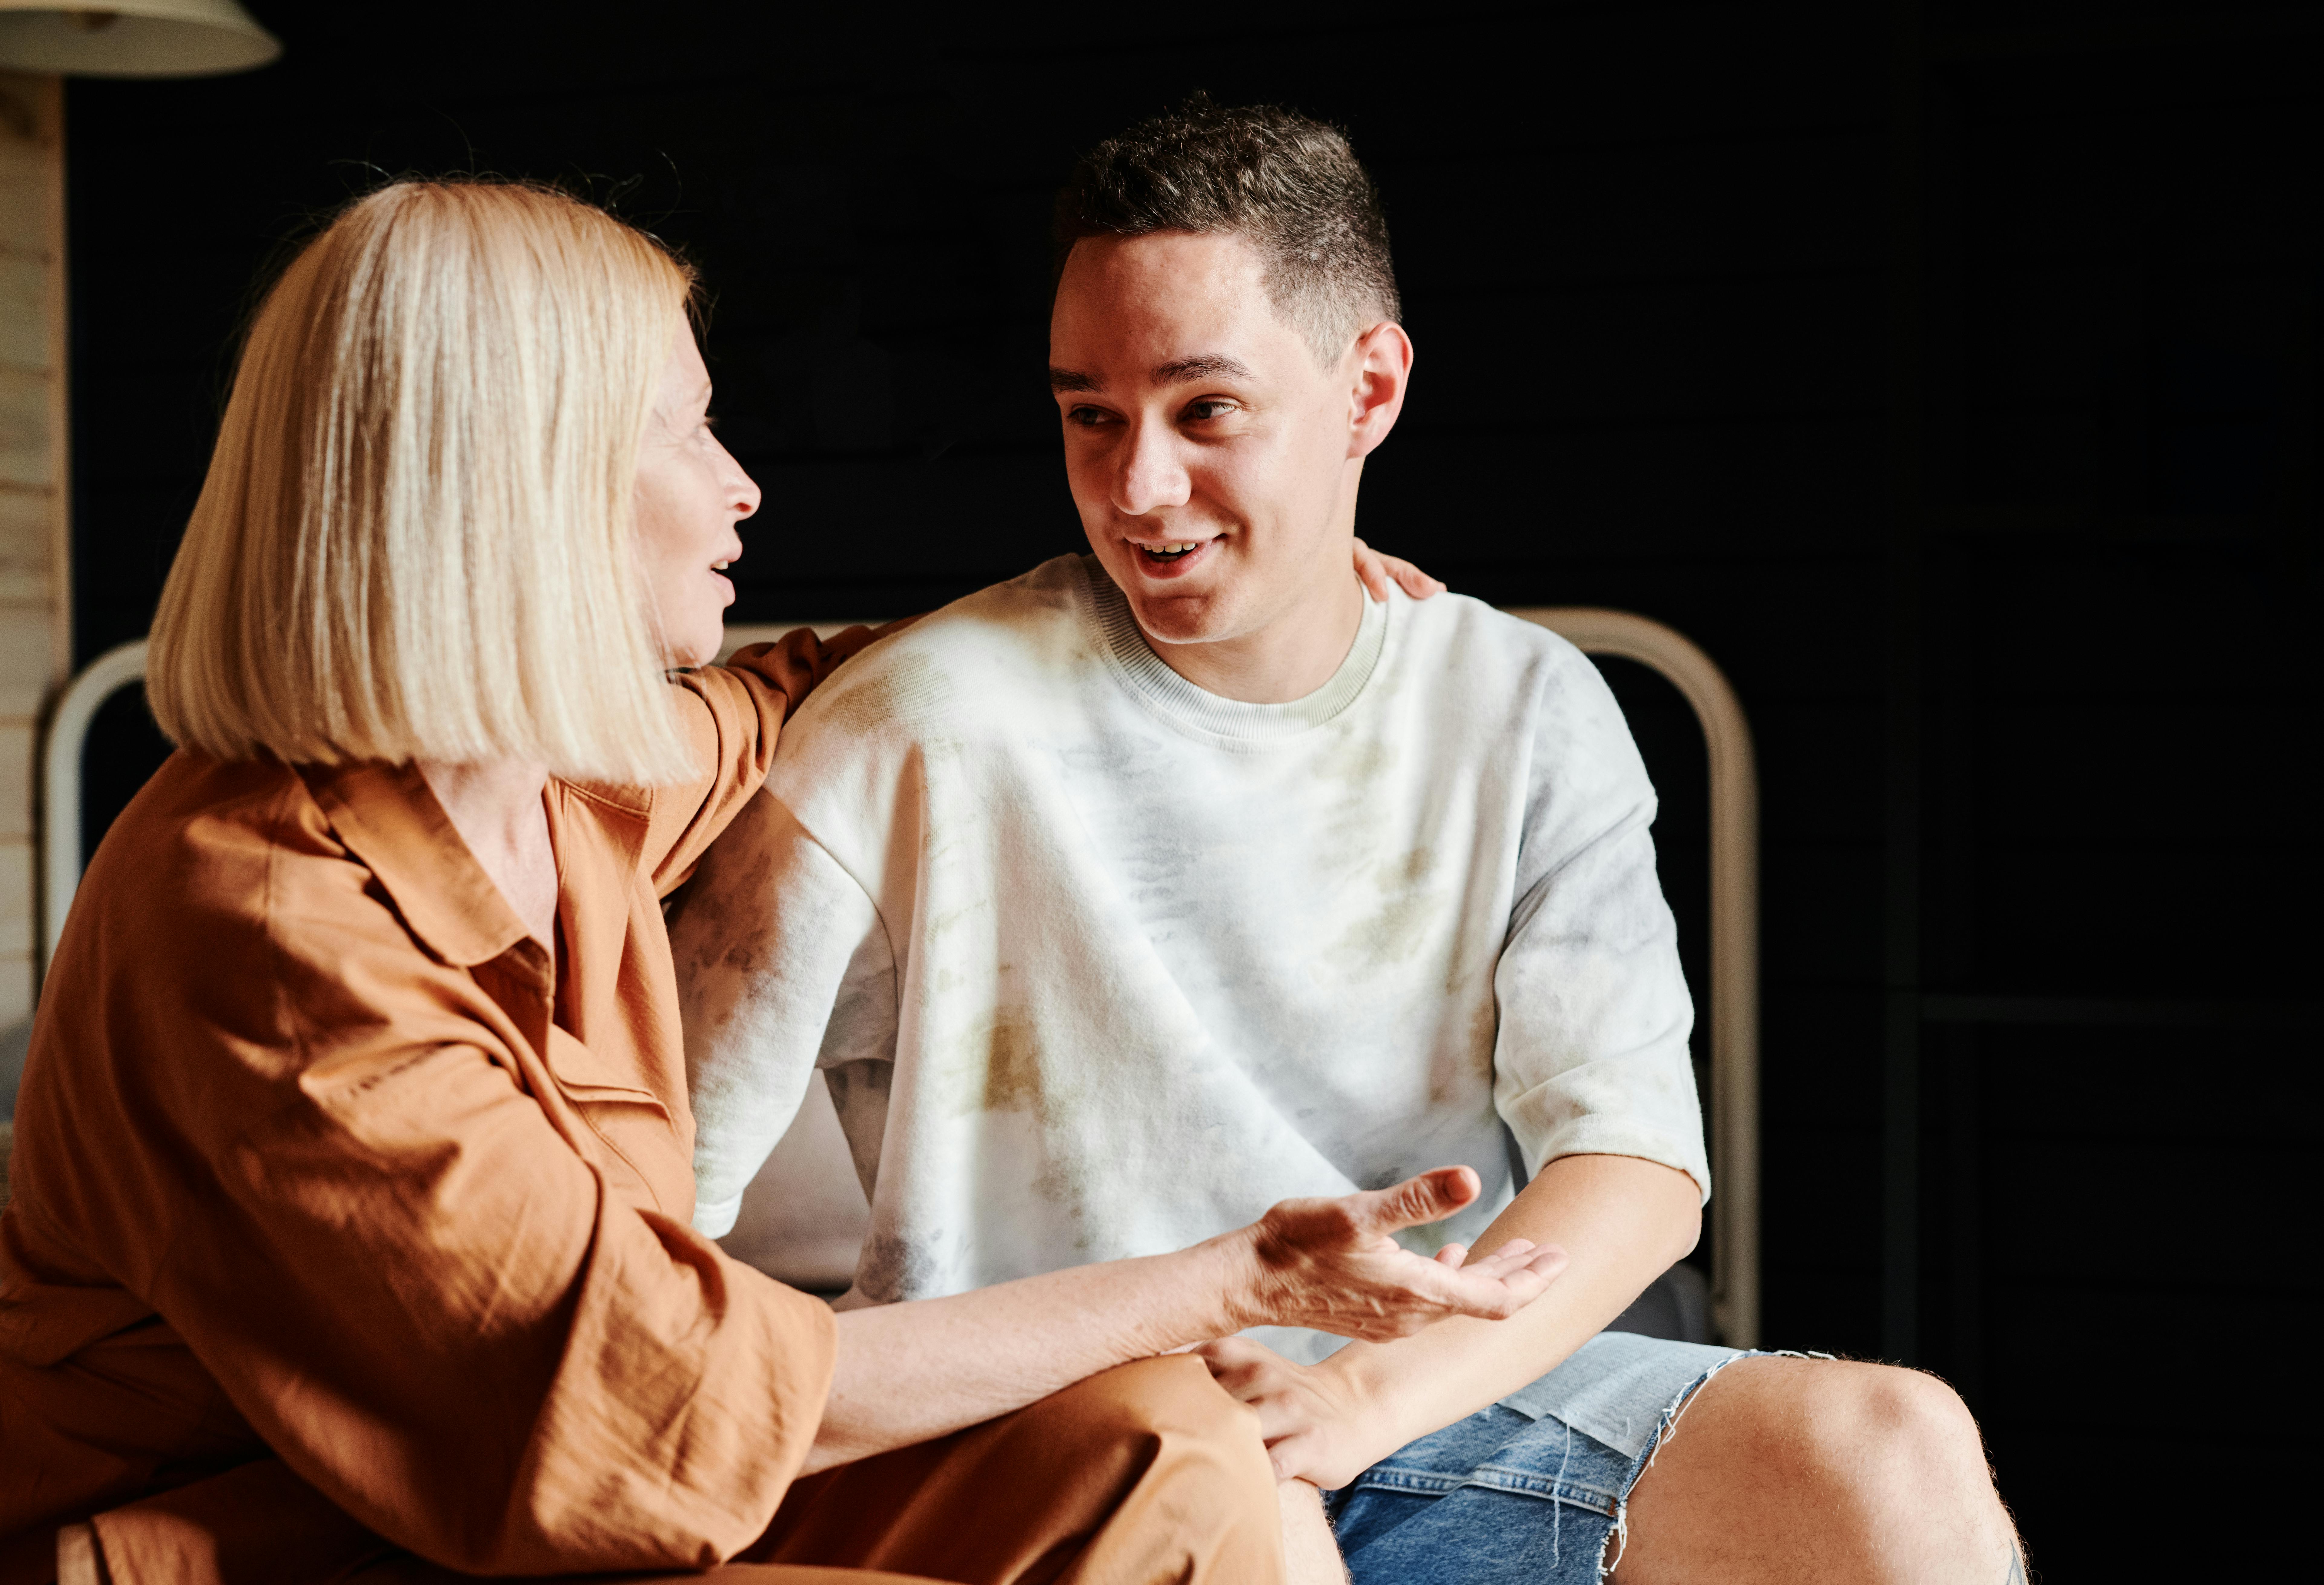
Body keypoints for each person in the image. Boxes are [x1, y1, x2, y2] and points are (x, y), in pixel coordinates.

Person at [0, 179, 1569, 1585]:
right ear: (520, 482)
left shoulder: (549, 774)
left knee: (1162, 1453)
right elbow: (650, 1407)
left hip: (573, 1491)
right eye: (683, 432)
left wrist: (1212, 599)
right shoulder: (273, 936)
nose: (741, 483)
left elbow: (789, 691)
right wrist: (1231, 1274)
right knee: (1163, 1416)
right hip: (316, 1545)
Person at [674, 102, 2027, 1584]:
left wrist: (1357, 1399)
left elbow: (1633, 1159)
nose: (1136, 488)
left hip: (1425, 1397)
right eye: (1089, 414)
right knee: (1249, 1523)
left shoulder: (1527, 706)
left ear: (1367, 387)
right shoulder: (911, 725)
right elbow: (659, 1223)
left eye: (1206, 412)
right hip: (1063, 1432)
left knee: (1891, 1449)